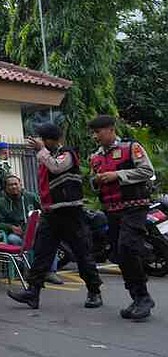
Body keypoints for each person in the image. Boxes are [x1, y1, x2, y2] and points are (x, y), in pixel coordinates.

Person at [8, 123, 103, 310]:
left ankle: (94, 291)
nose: (42, 143)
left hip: (70, 212)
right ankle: (32, 292)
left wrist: (41, 150)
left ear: (53, 140)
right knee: (42, 253)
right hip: (51, 213)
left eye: (44, 140)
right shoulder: (46, 156)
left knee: (82, 253)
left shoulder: (67, 153)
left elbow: (57, 167)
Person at [89, 114, 156, 321]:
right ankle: (137, 297)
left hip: (134, 206)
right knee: (119, 253)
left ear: (110, 129)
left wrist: (118, 175)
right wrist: (97, 180)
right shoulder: (95, 157)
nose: (95, 136)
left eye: (98, 132)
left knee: (127, 246)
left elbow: (147, 171)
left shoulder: (130, 148)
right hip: (112, 209)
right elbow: (93, 183)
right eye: (94, 133)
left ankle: (143, 297)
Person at [0, 174, 63, 285]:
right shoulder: (1, 202)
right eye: (10, 185)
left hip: (34, 230)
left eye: (16, 184)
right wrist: (11, 227)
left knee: (49, 239)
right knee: (13, 240)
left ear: (20, 185)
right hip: (16, 233)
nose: (14, 187)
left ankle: (51, 272)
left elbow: (44, 211)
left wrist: (38, 224)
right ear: (6, 188)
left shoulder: (31, 196)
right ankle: (26, 269)